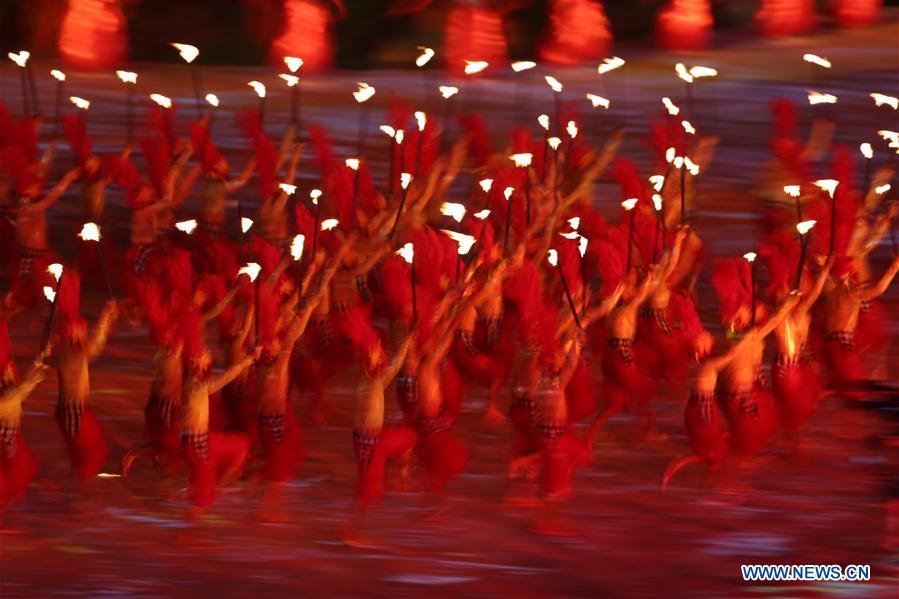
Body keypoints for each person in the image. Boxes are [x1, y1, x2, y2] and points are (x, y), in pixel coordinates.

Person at [53, 271, 118, 484]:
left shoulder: (69, 349)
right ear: (71, 333)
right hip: (74, 412)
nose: (82, 332)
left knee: (89, 454)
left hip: (75, 410)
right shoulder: (69, 352)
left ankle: (74, 492)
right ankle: (76, 497)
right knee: (91, 455)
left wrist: (107, 319)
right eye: (80, 330)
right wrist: (106, 318)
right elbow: (94, 347)